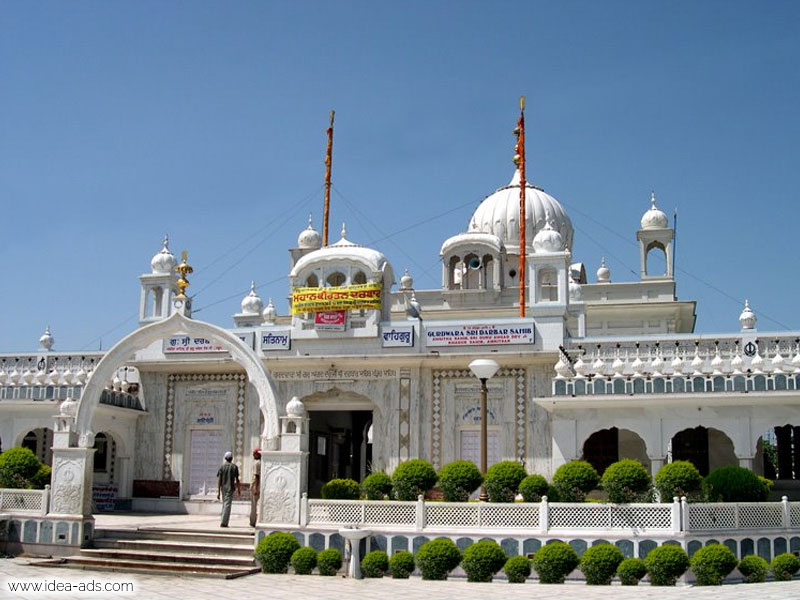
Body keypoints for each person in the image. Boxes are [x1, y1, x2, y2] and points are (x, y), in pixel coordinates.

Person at [216, 451, 240, 527]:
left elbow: (219, 480)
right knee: (227, 505)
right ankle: (224, 522)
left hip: (223, 488)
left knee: (224, 504)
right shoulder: (234, 467)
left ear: (225, 458)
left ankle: (223, 520)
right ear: (232, 458)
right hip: (230, 488)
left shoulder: (222, 467)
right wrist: (239, 489)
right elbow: (237, 479)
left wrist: (218, 492)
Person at [249, 447, 261, 527]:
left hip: (255, 486)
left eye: (254, 453)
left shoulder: (257, 463)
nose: (253, 455)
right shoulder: (260, 462)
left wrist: (255, 488)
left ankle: (253, 521)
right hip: (258, 486)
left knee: (253, 505)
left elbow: (257, 476)